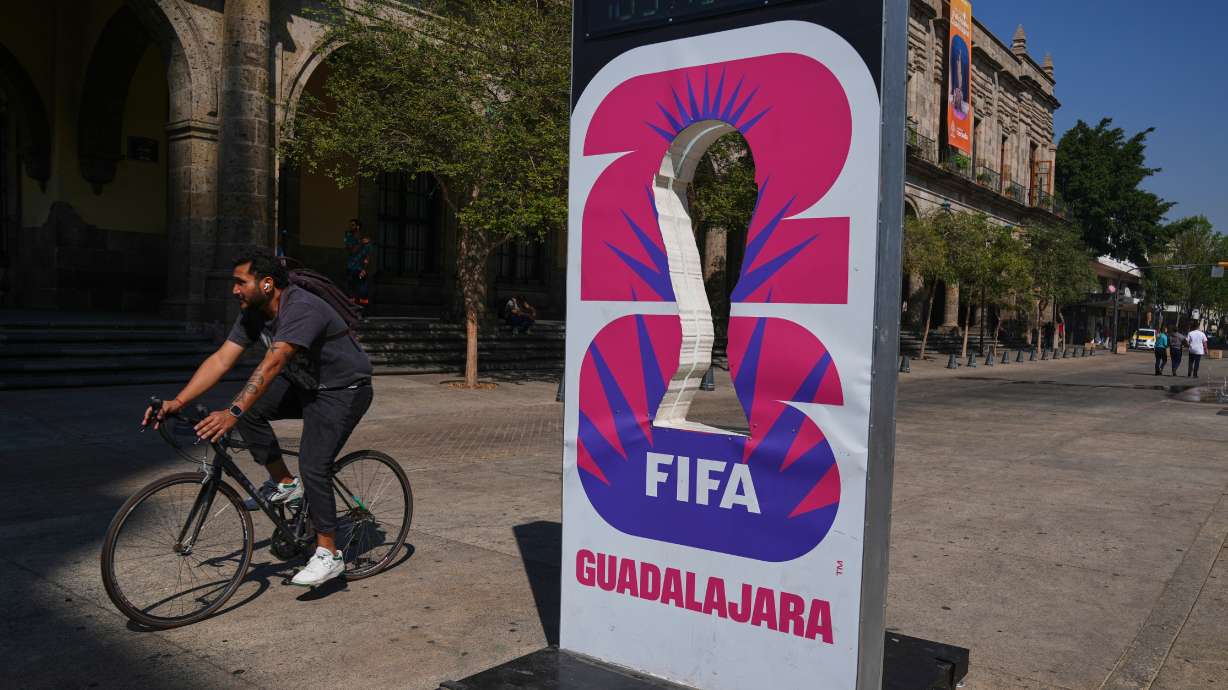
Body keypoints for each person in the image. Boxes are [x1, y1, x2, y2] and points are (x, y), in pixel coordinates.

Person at [142, 247, 374, 587]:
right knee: (250, 413)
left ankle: (329, 553)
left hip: (343, 389)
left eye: (240, 282)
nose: (234, 289)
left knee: (313, 463)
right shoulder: (253, 312)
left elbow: (274, 363)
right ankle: (284, 483)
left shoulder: (301, 308)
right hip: (304, 383)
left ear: (267, 284)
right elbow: (222, 359)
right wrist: (176, 402)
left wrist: (232, 412)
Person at [344, 219, 372, 308]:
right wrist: (361, 243)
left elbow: (368, 255)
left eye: (352, 225)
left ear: (358, 227)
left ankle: (363, 312)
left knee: (363, 292)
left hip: (360, 269)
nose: (350, 227)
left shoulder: (365, 240)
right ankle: (351, 310)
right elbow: (352, 250)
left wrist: (365, 269)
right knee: (350, 292)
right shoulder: (348, 237)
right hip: (351, 268)